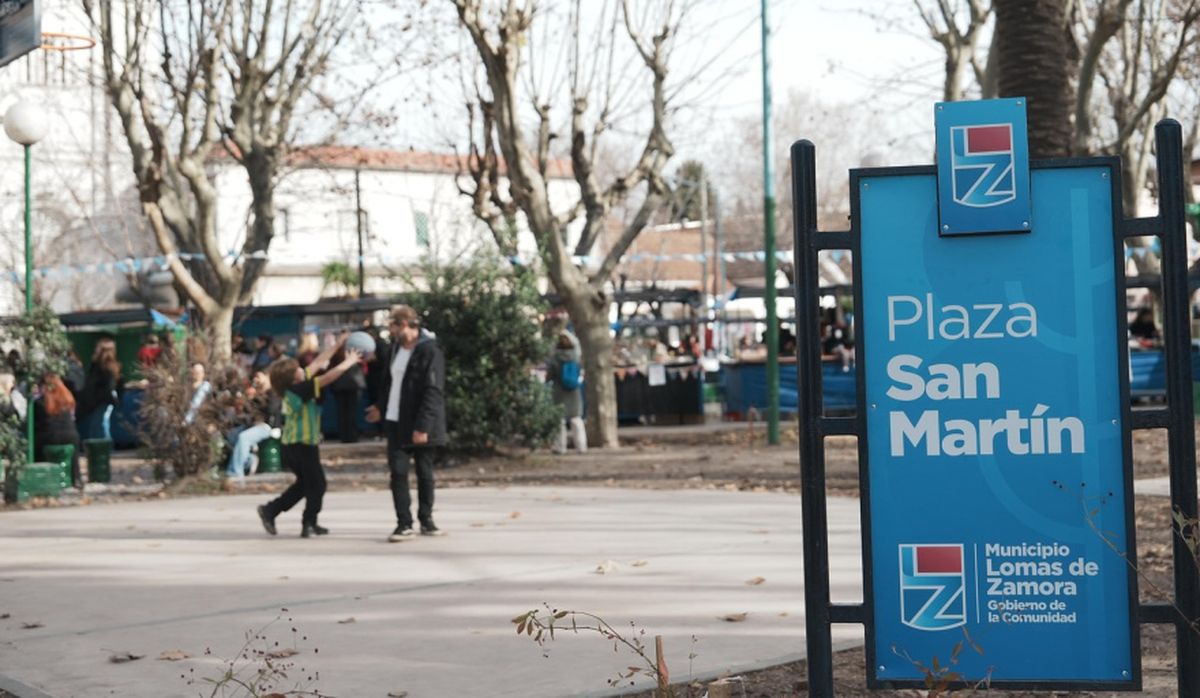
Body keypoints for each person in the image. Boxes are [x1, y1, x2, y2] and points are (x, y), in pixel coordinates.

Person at [257, 335, 361, 538]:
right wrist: (349, 362)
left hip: (294, 445)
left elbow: (318, 363)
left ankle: (271, 511)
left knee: (306, 484)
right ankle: (308, 523)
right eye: (297, 368)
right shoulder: (301, 389)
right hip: (301, 444)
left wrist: (336, 346)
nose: (301, 368)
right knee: (318, 484)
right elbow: (328, 377)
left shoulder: (295, 386)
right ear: (292, 377)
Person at [366, 304, 447, 542]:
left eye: (392, 326)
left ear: (404, 325)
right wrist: (380, 407)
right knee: (398, 473)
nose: (390, 332)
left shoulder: (429, 351)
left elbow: (433, 391)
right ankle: (404, 523)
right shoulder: (395, 350)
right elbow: (390, 383)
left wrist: (422, 426)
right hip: (395, 420)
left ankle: (427, 520)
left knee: (424, 472)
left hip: (420, 422)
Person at [226, 370, 281, 479]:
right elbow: (248, 412)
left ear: (267, 376)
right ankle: (249, 460)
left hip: (266, 426)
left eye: (258, 377)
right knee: (231, 436)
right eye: (254, 377)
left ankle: (235, 473)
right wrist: (247, 401)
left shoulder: (273, 392)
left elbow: (271, 410)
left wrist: (260, 400)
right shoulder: (255, 393)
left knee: (243, 437)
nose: (255, 380)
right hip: (253, 425)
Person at [33, 373, 82, 488]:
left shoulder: (39, 402)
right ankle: (77, 478)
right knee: (74, 454)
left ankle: (41, 477)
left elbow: (35, 422)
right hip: (71, 435)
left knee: (36, 443)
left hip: (49, 436)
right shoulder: (68, 400)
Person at [547, 329, 586, 454]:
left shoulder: (554, 359)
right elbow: (579, 373)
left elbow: (549, 376)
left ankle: (560, 447)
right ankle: (581, 446)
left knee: (559, 421)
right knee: (576, 420)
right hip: (574, 391)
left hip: (559, 392)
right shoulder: (576, 358)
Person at [77, 338, 122, 440]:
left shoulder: (105, 366)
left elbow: (107, 384)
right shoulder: (102, 365)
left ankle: (104, 447)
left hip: (103, 399)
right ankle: (99, 446)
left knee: (101, 423)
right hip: (100, 399)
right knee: (97, 424)